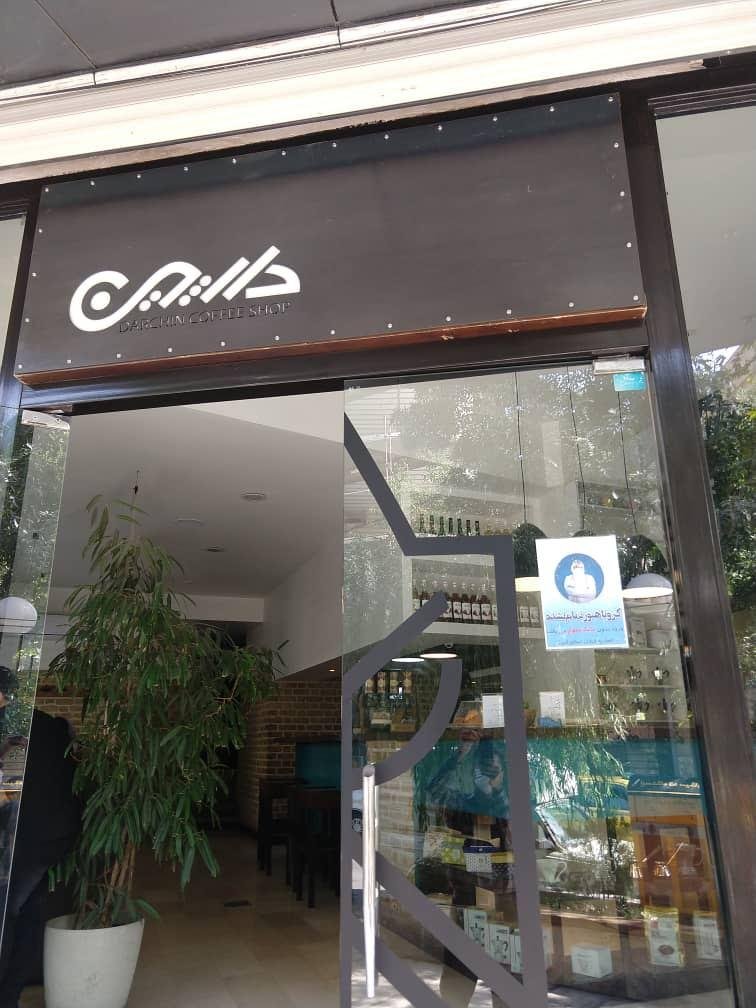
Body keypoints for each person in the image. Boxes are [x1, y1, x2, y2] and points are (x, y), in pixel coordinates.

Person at [0, 688, 80, 1008]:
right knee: (29, 915)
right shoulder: (49, 724)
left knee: (8, 916)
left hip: (27, 838)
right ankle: (10, 996)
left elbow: (8, 792)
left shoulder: (12, 728)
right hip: (56, 837)